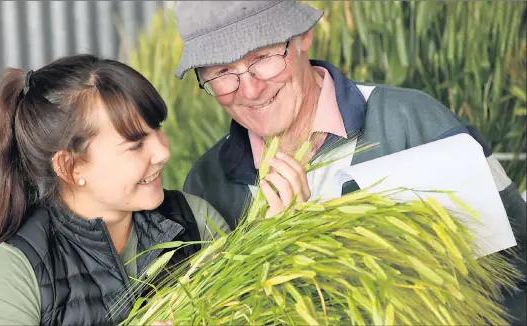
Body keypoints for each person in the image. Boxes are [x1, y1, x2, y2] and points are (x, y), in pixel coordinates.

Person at [173, 0, 526, 324]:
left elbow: (516, 277)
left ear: (303, 35)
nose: (249, 90)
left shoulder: (413, 123)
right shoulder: (206, 186)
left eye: (262, 57)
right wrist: (279, 253)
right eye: (221, 72)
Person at [0, 54, 234, 325]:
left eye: (157, 129)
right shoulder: (16, 272)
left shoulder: (196, 221)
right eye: (135, 145)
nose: (163, 151)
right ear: (71, 168)